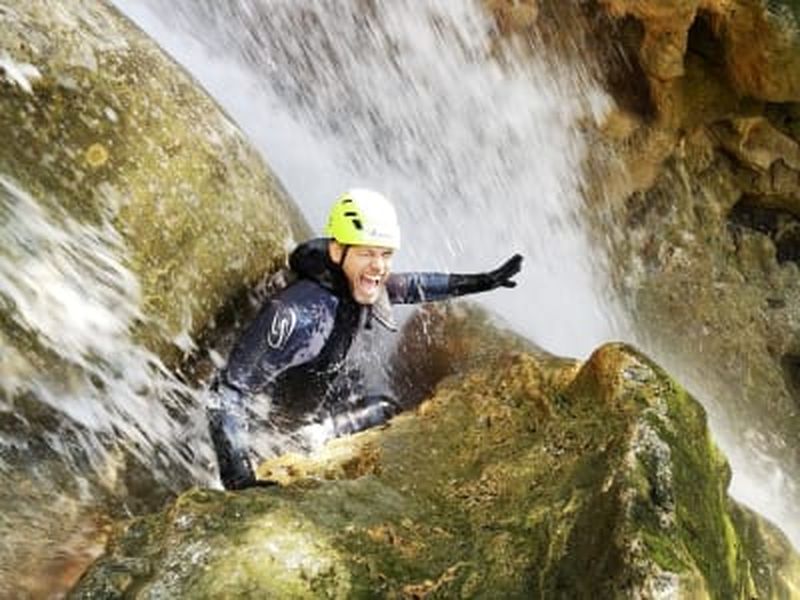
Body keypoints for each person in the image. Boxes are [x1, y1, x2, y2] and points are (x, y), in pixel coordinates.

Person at [208, 189, 522, 490]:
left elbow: (411, 286)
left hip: (315, 404)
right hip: (282, 434)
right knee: (384, 410)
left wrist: (482, 281)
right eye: (367, 253)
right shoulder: (298, 313)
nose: (379, 266)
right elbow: (227, 393)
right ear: (336, 250)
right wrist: (240, 481)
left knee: (385, 409)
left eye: (386, 255)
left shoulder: (354, 284)